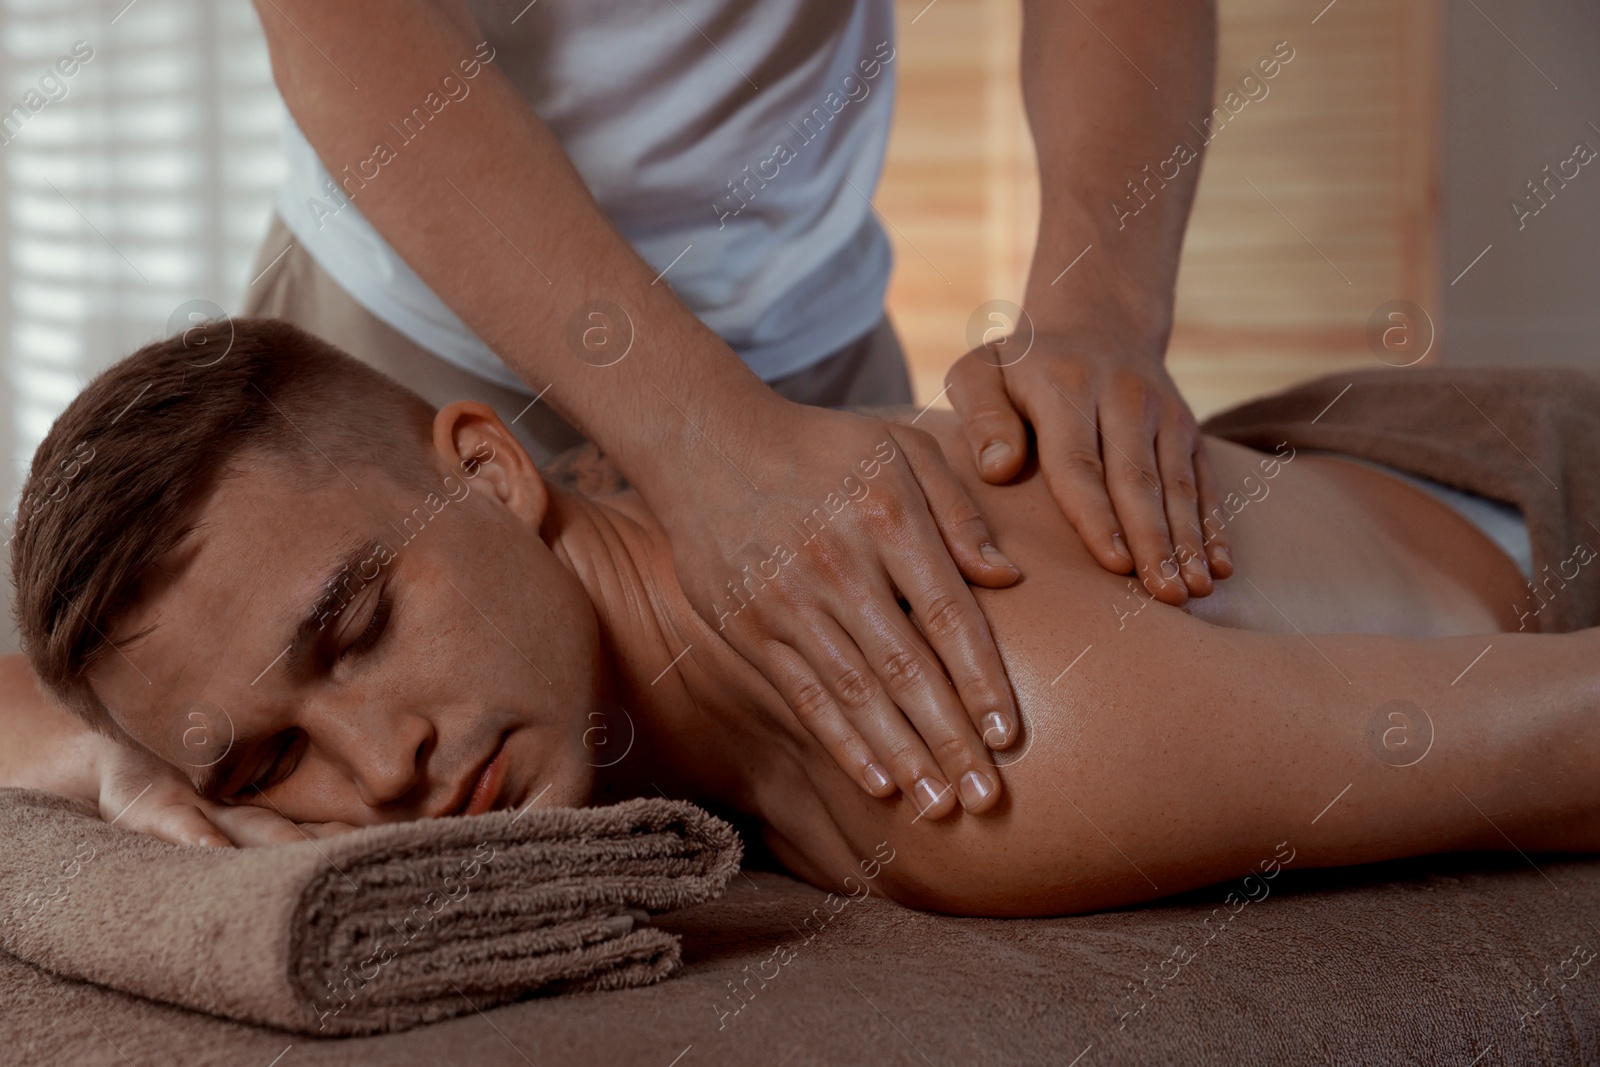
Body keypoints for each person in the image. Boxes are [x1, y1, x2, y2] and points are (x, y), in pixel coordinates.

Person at [4, 321, 1596, 917]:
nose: (381, 762)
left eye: (355, 626)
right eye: (271, 752)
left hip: (1526, 489)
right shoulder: (632, 544)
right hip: (1323, 445)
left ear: (490, 468)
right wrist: (141, 765)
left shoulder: (964, 731)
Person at [239, 0, 1228, 814]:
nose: (385, 767)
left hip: (805, 317)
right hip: (414, 305)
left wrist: (1101, 307)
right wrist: (699, 440)